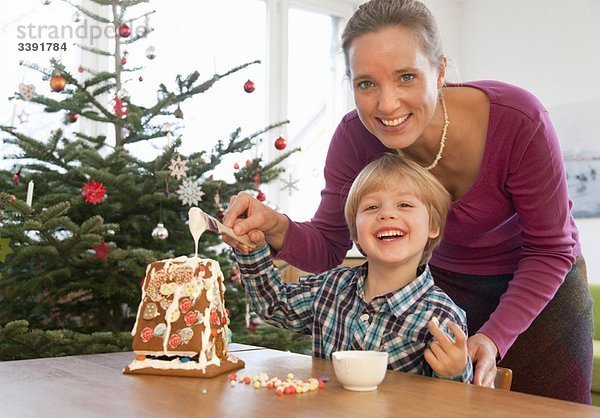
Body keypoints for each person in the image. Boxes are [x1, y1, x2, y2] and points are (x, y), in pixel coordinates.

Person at [223, 0, 593, 403]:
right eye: (366, 84)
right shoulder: (353, 139)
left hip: (540, 292)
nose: (387, 105)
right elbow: (329, 245)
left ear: (439, 71)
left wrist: (492, 336)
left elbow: (549, 249)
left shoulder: (519, 121)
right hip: (444, 289)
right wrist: (275, 225)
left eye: (406, 77)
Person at [234, 153, 473, 382]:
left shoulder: (442, 317)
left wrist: (454, 372)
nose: (387, 214)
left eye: (404, 204)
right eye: (371, 207)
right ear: (356, 232)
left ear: (433, 226)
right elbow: (273, 304)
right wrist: (252, 250)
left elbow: (455, 405)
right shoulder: (329, 288)